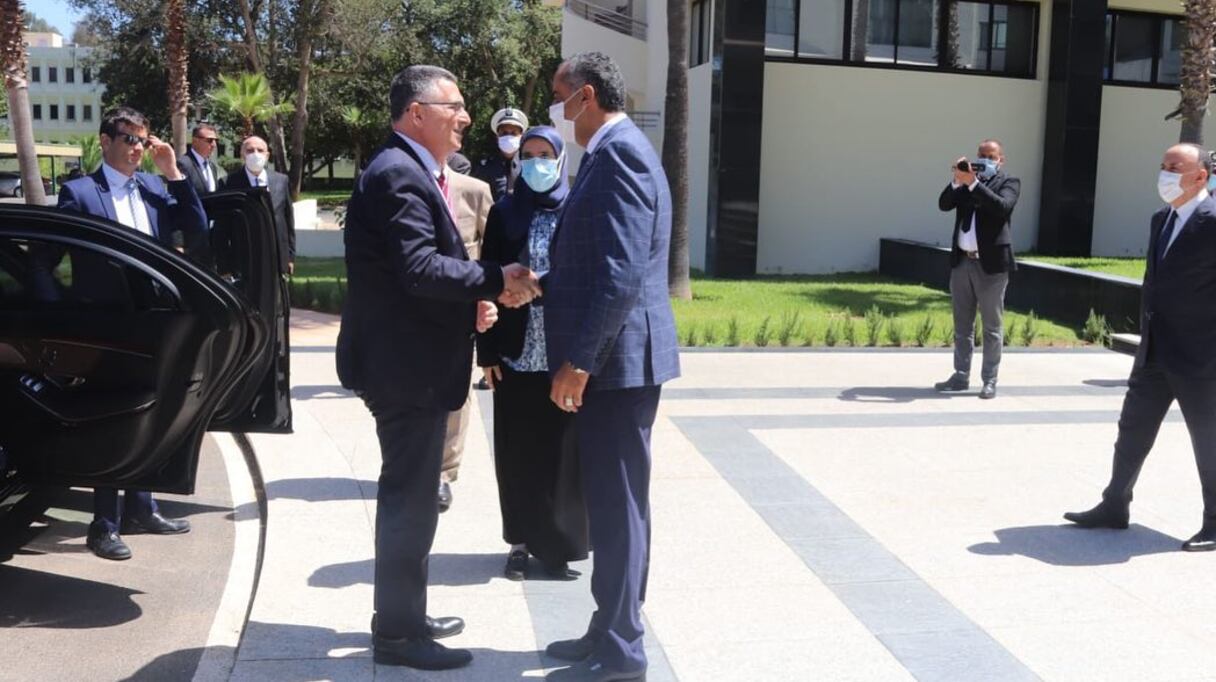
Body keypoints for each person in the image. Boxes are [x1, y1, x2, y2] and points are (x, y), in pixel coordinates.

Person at [334, 64, 540, 671]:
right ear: (416, 113)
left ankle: (404, 616)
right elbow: (419, 268)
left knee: (417, 498)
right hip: (407, 372)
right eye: (455, 106)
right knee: (409, 501)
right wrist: (494, 280)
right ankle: (397, 637)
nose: (467, 118)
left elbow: (411, 279)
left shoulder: (410, 169)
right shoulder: (398, 173)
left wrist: (466, 307)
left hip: (414, 359)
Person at [541, 52, 680, 682]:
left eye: (558, 96)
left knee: (619, 508)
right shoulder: (609, 151)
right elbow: (599, 262)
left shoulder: (620, 153)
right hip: (614, 361)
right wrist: (539, 282)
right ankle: (607, 629)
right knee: (612, 502)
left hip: (617, 365)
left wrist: (579, 363)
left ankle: (623, 654)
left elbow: (622, 273)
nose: (555, 108)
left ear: (586, 96)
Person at [56, 106, 205, 561]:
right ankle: (103, 524)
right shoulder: (79, 193)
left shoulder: (155, 188)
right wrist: (65, 314)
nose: (138, 147)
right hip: (105, 327)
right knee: (110, 420)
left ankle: (142, 507)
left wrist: (174, 172)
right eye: (128, 139)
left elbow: (198, 229)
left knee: (150, 414)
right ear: (105, 141)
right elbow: (47, 261)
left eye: (143, 139)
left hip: (153, 323)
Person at [1065, 143, 1216, 552]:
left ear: (1200, 176)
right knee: (1131, 430)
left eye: (1174, 167)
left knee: (1208, 439)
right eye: (1162, 165)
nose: (1164, 174)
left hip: (1202, 357)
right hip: (1154, 352)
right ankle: (1115, 505)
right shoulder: (1160, 219)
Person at [477, 126, 589, 581]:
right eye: (529, 155)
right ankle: (520, 542)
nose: (536, 163)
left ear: (561, 160)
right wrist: (486, 353)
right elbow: (486, 280)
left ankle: (558, 544)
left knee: (562, 451)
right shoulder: (505, 212)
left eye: (546, 154)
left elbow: (583, 275)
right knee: (517, 450)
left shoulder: (576, 209)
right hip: (516, 352)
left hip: (562, 353)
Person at [935, 139, 1021, 400]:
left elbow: (1001, 207)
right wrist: (956, 179)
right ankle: (961, 375)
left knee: (992, 327)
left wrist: (973, 183)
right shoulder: (966, 183)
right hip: (962, 262)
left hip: (991, 266)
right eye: (981, 155)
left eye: (990, 156)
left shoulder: (1009, 182)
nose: (985, 159)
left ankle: (989, 380)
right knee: (962, 325)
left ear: (1000, 159)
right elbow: (944, 204)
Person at [437, 155, 495, 512]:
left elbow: (492, 254)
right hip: (414, 313)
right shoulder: (401, 184)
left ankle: (443, 472)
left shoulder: (475, 192)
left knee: (457, 393)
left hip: (461, 312)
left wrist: (488, 300)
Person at [219, 136, 296, 275]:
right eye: (250, 150)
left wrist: (289, 257)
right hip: (243, 259)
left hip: (275, 257)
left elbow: (288, 220)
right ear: (242, 155)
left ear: (267, 155)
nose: (255, 154)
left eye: (260, 150)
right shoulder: (228, 183)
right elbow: (222, 227)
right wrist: (224, 265)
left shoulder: (281, 180)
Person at [473, 107, 528, 202]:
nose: (509, 136)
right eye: (504, 133)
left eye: (514, 133)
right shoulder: (485, 168)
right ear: (497, 137)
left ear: (521, 137)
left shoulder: (528, 165)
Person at [176, 122, 222, 196]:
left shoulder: (212, 167)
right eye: (210, 140)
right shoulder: (184, 164)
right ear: (195, 141)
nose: (214, 145)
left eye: (216, 141)